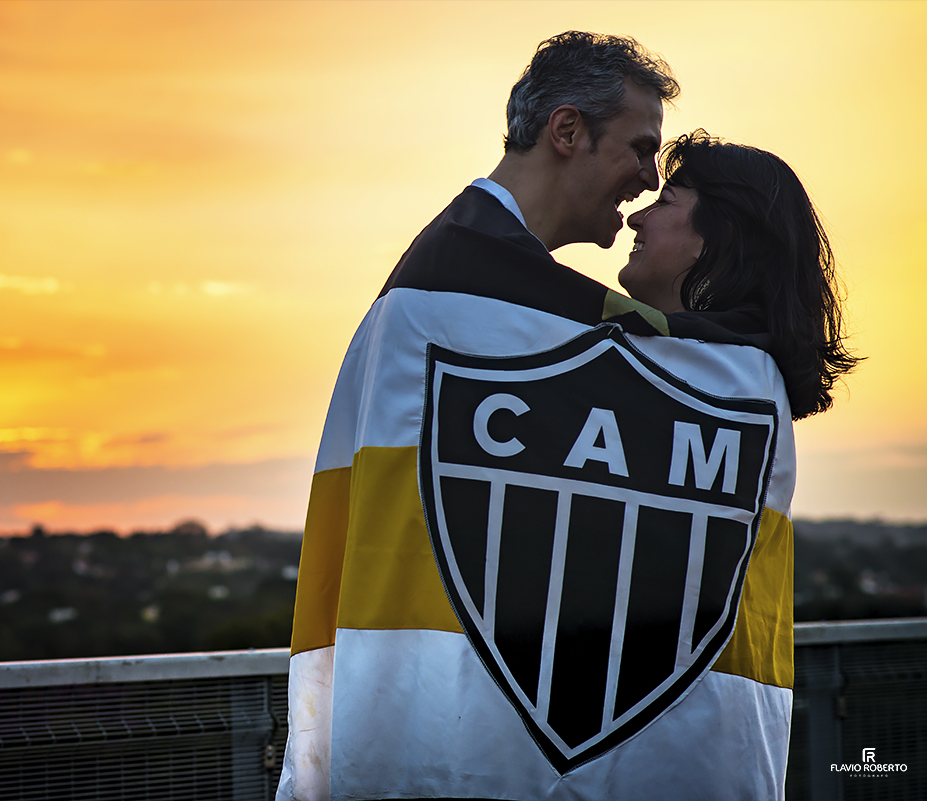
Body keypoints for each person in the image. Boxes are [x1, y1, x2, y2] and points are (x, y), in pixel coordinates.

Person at [278, 32, 796, 801]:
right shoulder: (446, 299)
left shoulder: (466, 289)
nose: (647, 181)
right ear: (566, 131)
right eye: (640, 147)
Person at [619, 129, 859, 420]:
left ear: (720, 236)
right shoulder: (759, 385)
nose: (634, 219)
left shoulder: (720, 385)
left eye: (664, 201)